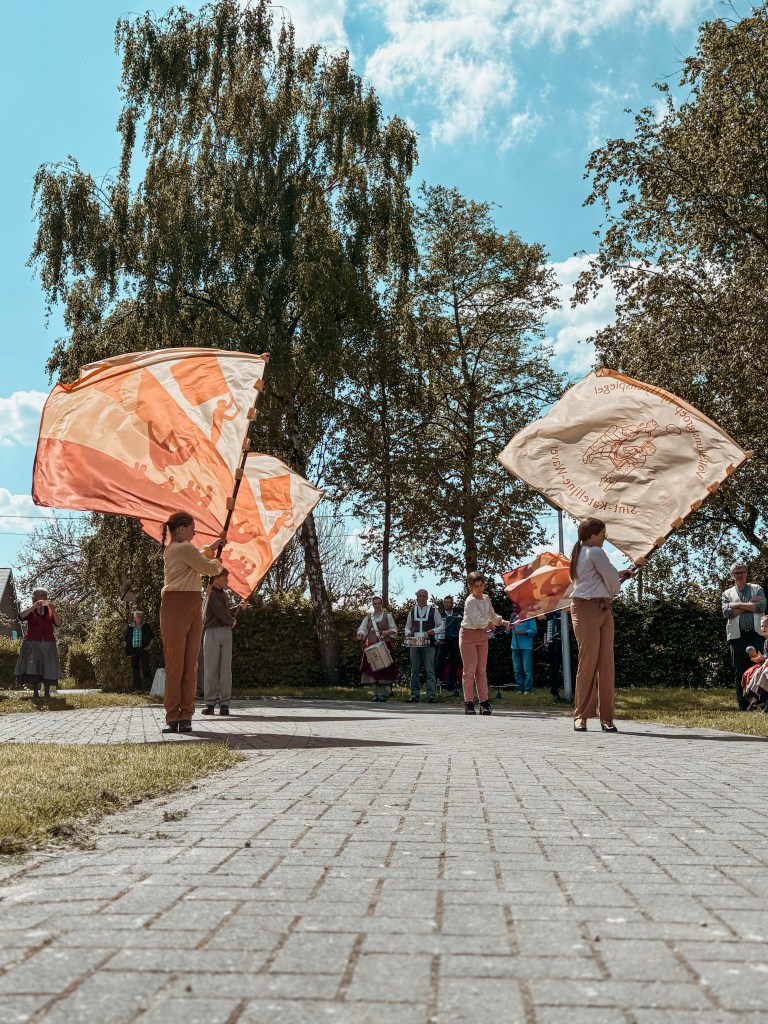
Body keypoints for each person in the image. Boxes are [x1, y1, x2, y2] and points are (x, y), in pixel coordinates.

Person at [160, 511, 223, 734]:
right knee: (176, 665)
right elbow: (208, 567)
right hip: (176, 605)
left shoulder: (181, 549)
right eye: (192, 529)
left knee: (189, 665)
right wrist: (217, 562)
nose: (195, 533)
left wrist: (213, 546)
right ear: (182, 529)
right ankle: (174, 716)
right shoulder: (182, 548)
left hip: (192, 603)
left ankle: (185, 716)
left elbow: (198, 556)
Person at [569, 518, 634, 733]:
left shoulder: (582, 552)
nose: (605, 537)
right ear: (593, 535)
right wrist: (615, 585)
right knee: (591, 662)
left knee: (602, 662)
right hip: (587, 609)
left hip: (602, 608)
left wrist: (618, 574)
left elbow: (599, 576)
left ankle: (603, 717)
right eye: (603, 534)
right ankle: (585, 716)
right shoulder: (595, 551)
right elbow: (611, 584)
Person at [460, 572, 510, 715]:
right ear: (470, 587)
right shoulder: (470, 601)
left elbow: (492, 615)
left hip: (482, 636)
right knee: (469, 670)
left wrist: (503, 622)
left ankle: (484, 703)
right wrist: (489, 624)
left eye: (481, 585)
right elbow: (478, 621)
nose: (479, 588)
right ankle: (469, 703)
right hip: (468, 635)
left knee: (481, 671)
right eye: (476, 586)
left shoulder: (486, 598)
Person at [721, 561, 766, 711]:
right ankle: (743, 705)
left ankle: (760, 703)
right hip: (737, 636)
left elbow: (761, 606)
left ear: (746, 573)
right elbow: (727, 613)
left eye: (742, 572)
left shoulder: (757, 589)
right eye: (737, 573)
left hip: (757, 634)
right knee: (739, 670)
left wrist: (736, 605)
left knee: (759, 668)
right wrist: (749, 605)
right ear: (732, 575)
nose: (740, 575)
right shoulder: (727, 593)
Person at [202, 568, 240, 717]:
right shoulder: (210, 593)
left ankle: (224, 704)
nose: (227, 581)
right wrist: (231, 621)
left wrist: (238, 608)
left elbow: (225, 612)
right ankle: (210, 703)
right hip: (212, 631)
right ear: (216, 578)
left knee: (225, 670)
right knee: (211, 669)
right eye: (225, 578)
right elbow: (220, 612)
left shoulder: (223, 594)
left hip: (225, 632)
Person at [14, 588, 62, 699]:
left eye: (46, 595)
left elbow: (58, 623)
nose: (45, 597)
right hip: (32, 643)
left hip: (48, 644)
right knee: (33, 667)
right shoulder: (31, 611)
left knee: (48, 667)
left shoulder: (50, 610)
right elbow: (21, 616)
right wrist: (33, 607)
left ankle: (47, 694)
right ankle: (35, 693)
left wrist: (54, 610)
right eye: (42, 595)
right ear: (35, 597)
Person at [404, 589, 444, 703]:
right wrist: (408, 633)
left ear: (427, 597)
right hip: (414, 642)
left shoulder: (433, 610)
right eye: (420, 596)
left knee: (430, 670)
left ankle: (431, 695)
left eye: (424, 596)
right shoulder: (412, 611)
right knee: (414, 670)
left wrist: (433, 631)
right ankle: (414, 695)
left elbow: (442, 625)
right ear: (417, 597)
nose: (422, 598)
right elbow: (407, 626)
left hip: (428, 643)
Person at [357, 596, 398, 702]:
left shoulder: (388, 616)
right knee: (372, 670)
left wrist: (387, 632)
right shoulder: (368, 618)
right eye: (375, 604)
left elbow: (394, 629)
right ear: (372, 604)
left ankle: (383, 694)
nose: (377, 605)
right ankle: (375, 695)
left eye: (379, 603)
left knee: (384, 671)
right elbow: (362, 629)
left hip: (385, 646)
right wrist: (361, 634)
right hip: (371, 646)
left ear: (381, 604)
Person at [544, 610, 577, 703]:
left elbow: (574, 630)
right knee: (554, 669)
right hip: (554, 644)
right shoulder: (550, 615)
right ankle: (554, 693)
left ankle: (573, 693)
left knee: (570, 667)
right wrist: (546, 642)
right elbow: (546, 630)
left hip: (567, 643)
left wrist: (569, 627)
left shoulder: (568, 614)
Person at [507, 604, 538, 693]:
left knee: (527, 669)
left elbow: (534, 630)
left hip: (526, 646)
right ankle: (519, 688)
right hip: (514, 646)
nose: (515, 609)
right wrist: (510, 620)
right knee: (517, 669)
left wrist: (524, 632)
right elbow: (507, 631)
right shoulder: (513, 618)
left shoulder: (529, 617)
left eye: (517, 608)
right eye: (513, 608)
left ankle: (527, 689)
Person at [435, 595, 463, 693]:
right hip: (443, 640)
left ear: (452, 603)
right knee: (439, 663)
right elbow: (435, 628)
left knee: (454, 663)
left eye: (449, 602)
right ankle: (435, 683)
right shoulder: (440, 615)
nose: (447, 604)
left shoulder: (458, 616)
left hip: (454, 640)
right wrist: (438, 640)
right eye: (445, 602)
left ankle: (451, 685)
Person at [742, 614, 768, 710]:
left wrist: (766, 661)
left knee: (765, 673)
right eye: (762, 626)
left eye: (766, 626)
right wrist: (761, 659)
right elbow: (766, 656)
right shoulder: (766, 642)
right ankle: (753, 698)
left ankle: (759, 698)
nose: (763, 628)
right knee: (756, 672)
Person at [124, 611, 154, 691]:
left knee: (146, 668)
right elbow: (126, 640)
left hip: (143, 649)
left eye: (141, 617)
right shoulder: (130, 627)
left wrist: (149, 646)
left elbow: (152, 638)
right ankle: (138, 689)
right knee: (135, 669)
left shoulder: (146, 626)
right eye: (138, 617)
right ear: (134, 618)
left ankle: (148, 688)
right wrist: (127, 650)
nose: (140, 618)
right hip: (133, 650)